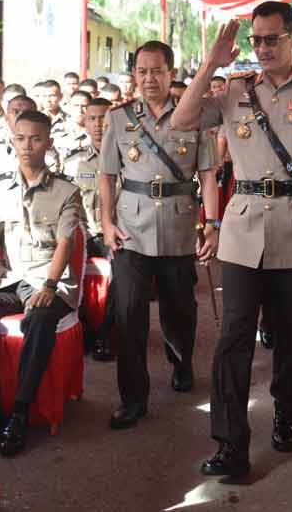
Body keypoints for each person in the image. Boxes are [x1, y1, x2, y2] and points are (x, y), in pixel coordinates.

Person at [171, 3, 292, 480]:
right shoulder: (233, 92)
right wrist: (211, 63)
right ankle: (230, 442)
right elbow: (181, 122)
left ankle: (287, 411)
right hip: (243, 229)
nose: (264, 48)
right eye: (257, 40)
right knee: (233, 339)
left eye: (273, 39)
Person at [99, 41, 219, 430]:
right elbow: (106, 174)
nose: (149, 79)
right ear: (134, 75)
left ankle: (181, 360)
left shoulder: (193, 116)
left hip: (179, 226)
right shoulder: (118, 119)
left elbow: (208, 175)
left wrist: (212, 223)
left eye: (157, 71)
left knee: (179, 308)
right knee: (129, 314)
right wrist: (105, 221)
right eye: (142, 71)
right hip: (130, 229)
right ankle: (133, 397)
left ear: (171, 74)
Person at [0, 110, 84, 455]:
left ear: (48, 143)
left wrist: (49, 286)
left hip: (51, 280)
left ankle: (20, 412)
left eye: (35, 138)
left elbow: (66, 242)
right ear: (12, 142)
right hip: (13, 280)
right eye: (20, 138)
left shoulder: (66, 191)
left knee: (41, 319)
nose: (27, 146)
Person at [63, 96, 114, 360]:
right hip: (83, 233)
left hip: (114, 233)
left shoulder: (128, 157)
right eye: (92, 118)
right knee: (68, 272)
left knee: (121, 273)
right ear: (84, 121)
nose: (98, 124)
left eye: (103, 117)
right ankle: (85, 333)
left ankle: (108, 335)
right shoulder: (73, 161)